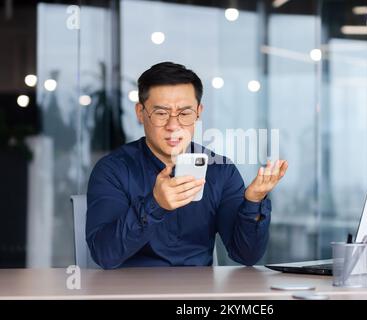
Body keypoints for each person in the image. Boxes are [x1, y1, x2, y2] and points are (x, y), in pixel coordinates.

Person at [86, 62, 288, 269]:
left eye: (184, 113)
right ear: (140, 112)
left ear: (198, 112)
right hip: (131, 293)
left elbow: (246, 255)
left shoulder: (220, 171)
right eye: (161, 113)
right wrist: (155, 204)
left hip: (198, 295)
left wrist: (253, 201)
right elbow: (104, 255)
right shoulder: (113, 170)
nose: (173, 126)